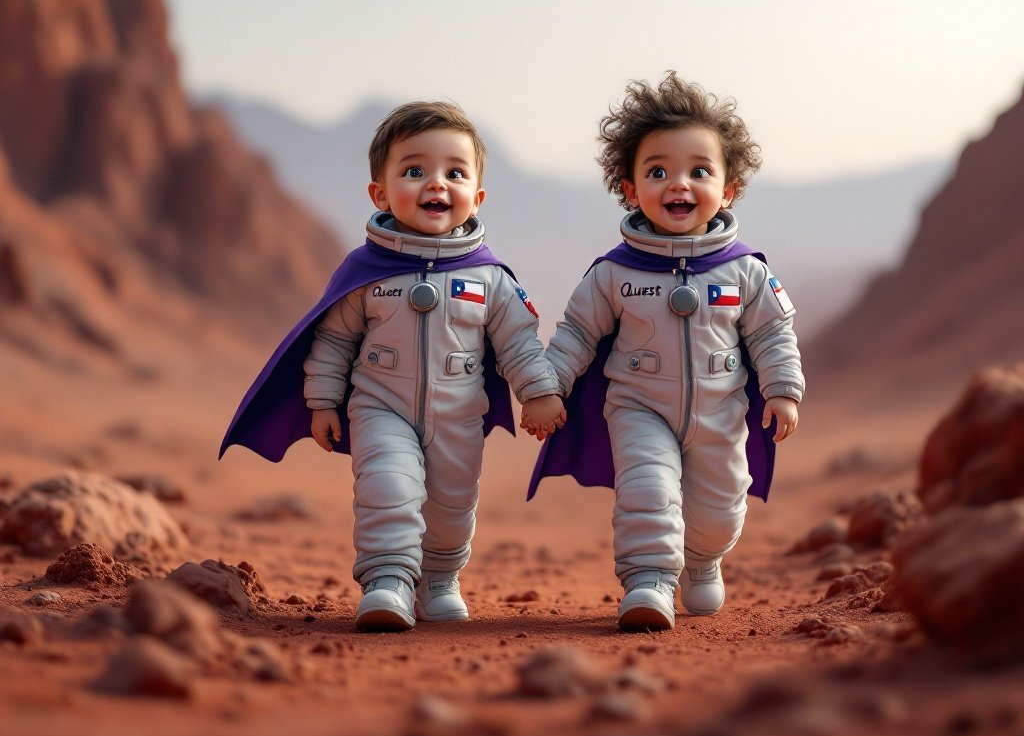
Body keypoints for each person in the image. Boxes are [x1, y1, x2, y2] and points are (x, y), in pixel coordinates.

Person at [221, 101, 564, 631]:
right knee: (387, 485)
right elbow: (332, 341)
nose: (436, 184)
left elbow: (518, 341)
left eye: (454, 172)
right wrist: (321, 401)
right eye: (414, 171)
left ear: (476, 197)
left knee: (452, 504)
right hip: (381, 405)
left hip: (459, 414)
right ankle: (387, 581)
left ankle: (440, 579)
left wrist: (537, 391)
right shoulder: (365, 271)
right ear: (380, 194)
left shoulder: (491, 278)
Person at [520, 74, 804, 631]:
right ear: (629, 188)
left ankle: (702, 561)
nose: (679, 183)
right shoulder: (614, 272)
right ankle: (648, 581)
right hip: (637, 406)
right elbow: (576, 333)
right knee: (647, 491)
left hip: (721, 412)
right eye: (658, 171)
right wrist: (545, 388)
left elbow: (773, 334)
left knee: (720, 508)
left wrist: (783, 389)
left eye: (699, 171)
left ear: (729, 189)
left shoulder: (747, 271)